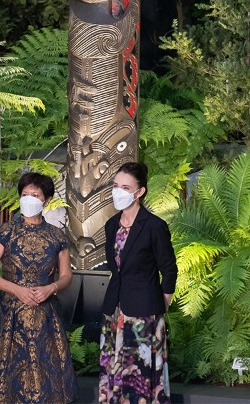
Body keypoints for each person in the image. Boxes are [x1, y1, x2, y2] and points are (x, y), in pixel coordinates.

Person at [0, 171, 75, 404]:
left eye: (35, 194)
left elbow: (66, 276)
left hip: (45, 315)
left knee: (47, 374)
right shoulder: (5, 233)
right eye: (24, 194)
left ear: (47, 200)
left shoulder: (56, 236)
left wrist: (51, 288)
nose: (28, 198)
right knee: (8, 374)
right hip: (10, 314)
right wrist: (16, 289)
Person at [98, 161, 178, 404]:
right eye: (115, 186)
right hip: (114, 310)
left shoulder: (154, 226)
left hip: (145, 315)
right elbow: (117, 268)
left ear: (140, 191)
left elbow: (169, 269)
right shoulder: (111, 225)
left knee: (141, 374)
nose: (118, 192)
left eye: (125, 187)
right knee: (113, 369)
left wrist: (162, 301)